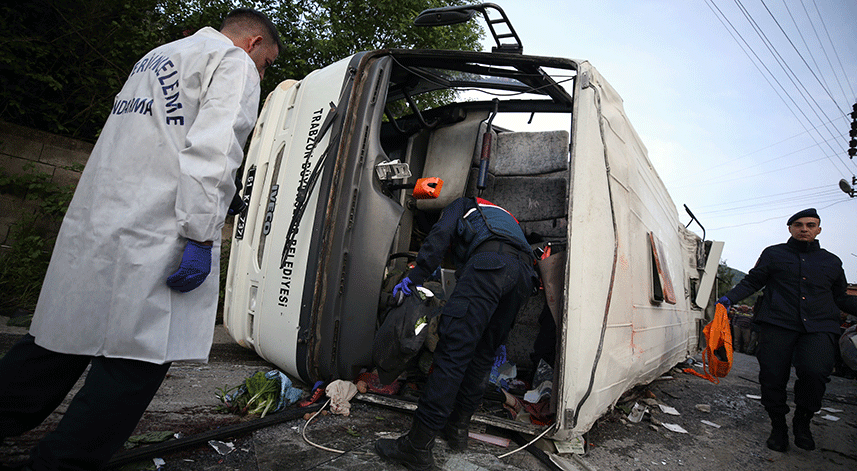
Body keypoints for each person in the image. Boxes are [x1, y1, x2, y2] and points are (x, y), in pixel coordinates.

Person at [0, 9, 280, 471]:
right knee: (138, 361)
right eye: (266, 62)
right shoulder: (231, 62)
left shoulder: (156, 57)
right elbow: (214, 151)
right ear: (251, 43)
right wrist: (201, 235)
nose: (261, 72)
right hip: (156, 233)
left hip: (98, 226)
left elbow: (151, 140)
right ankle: (62, 463)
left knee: (57, 342)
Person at [374, 196, 537, 470]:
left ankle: (416, 446)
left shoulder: (460, 204)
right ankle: (457, 430)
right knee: (483, 355)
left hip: (490, 265)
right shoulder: (501, 216)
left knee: (452, 354)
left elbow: (440, 236)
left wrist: (415, 276)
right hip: (522, 277)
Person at [718, 208, 857, 453]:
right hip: (778, 323)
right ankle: (778, 426)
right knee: (772, 376)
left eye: (810, 225)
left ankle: (802, 422)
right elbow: (752, 281)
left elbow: (841, 297)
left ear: (818, 230)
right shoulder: (774, 254)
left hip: (819, 326)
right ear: (790, 228)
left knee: (815, 373)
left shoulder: (832, 262)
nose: (804, 229)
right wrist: (728, 298)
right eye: (799, 225)